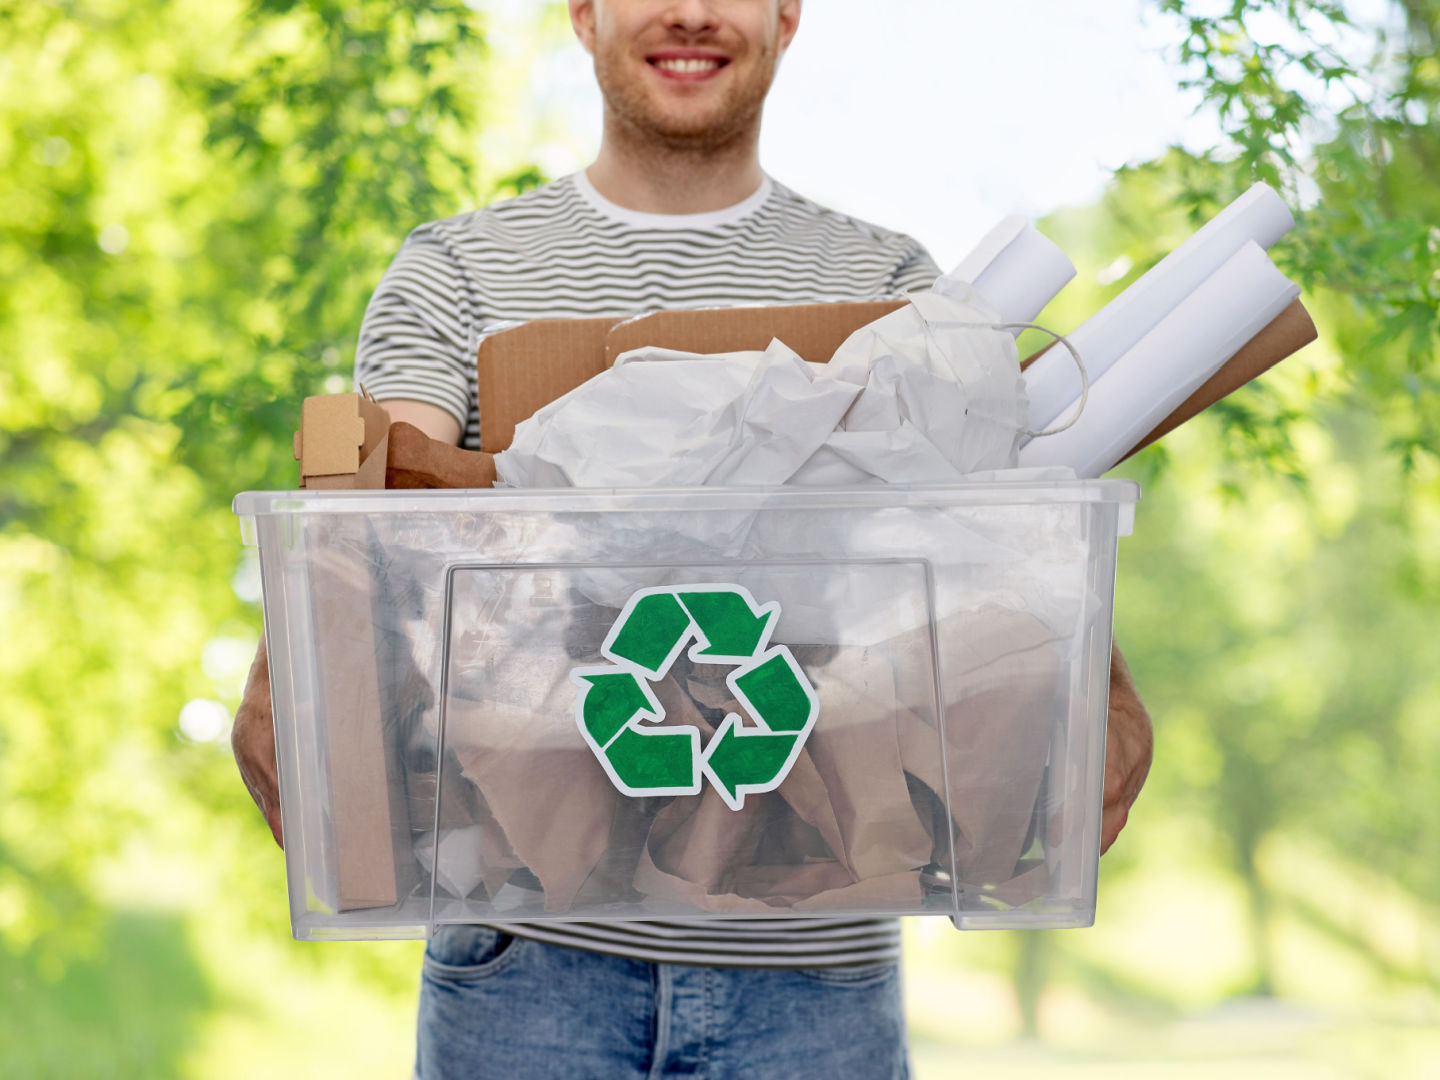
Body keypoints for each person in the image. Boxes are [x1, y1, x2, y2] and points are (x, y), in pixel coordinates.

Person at [232, 1, 1155, 1076]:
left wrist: (1087, 689)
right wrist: (297, 681)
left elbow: (981, 558)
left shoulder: (895, 293)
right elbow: (380, 526)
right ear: (583, 12)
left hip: (818, 967)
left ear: (788, 14)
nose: (690, 12)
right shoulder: (458, 274)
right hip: (528, 961)